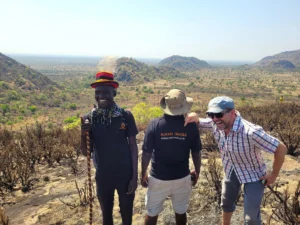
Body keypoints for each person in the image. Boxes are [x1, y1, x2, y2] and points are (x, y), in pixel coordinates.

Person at [184, 96, 287, 225]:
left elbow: (281, 148)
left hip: (253, 173)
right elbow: (198, 121)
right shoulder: (216, 124)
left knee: (251, 219)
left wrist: (274, 174)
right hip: (231, 168)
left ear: (232, 112)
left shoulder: (251, 132)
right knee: (226, 203)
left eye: (219, 114)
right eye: (211, 114)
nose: (215, 119)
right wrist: (194, 116)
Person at [80, 71, 138, 225]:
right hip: (103, 175)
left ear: (114, 92)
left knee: (126, 213)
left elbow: (133, 147)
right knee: (106, 215)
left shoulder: (125, 116)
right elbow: (86, 152)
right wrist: (82, 134)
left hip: (125, 173)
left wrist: (134, 177)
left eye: (106, 92)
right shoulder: (89, 119)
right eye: (97, 92)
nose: (101, 96)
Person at [141, 89, 202, 225]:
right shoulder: (191, 127)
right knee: (180, 213)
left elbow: (146, 153)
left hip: (158, 178)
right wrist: (197, 171)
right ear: (184, 106)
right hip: (182, 177)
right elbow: (196, 153)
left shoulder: (155, 124)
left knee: (151, 214)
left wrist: (143, 173)